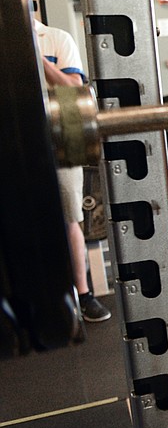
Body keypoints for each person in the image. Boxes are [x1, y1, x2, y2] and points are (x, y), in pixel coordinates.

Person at [34, 18, 111, 324]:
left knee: (70, 217)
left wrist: (36, 59)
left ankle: (83, 294)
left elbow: (72, 90)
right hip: (16, 144)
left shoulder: (55, 39)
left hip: (60, 139)